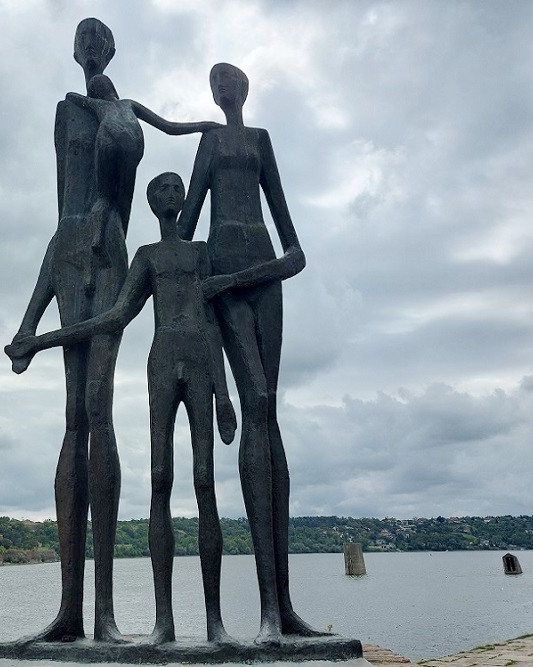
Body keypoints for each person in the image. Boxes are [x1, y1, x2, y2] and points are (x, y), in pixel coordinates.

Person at [8, 19, 219, 643]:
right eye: (85, 45)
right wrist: (30, 319)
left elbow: (129, 147)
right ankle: (72, 610)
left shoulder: (114, 108)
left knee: (98, 412)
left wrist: (107, 105)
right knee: (73, 418)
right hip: (69, 252)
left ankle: (104, 612)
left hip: (108, 256)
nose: (92, 52)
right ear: (75, 51)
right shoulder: (63, 114)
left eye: (100, 45)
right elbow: (60, 213)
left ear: (110, 53)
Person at [177, 63, 324, 644]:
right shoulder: (210, 144)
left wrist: (246, 278)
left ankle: (282, 607)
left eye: (229, 83)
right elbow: (186, 227)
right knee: (256, 401)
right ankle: (268, 611)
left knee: (270, 410)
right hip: (221, 277)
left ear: (244, 90)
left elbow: (296, 250)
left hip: (258, 277)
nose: (221, 92)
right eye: (214, 87)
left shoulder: (260, 142)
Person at [64, 74, 219, 296]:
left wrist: (84, 98)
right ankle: (119, 237)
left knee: (104, 198)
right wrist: (204, 125)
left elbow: (71, 96)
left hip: (108, 137)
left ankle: (95, 243)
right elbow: (168, 126)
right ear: (113, 89)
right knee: (123, 202)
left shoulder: (97, 104)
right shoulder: (129, 104)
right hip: (133, 144)